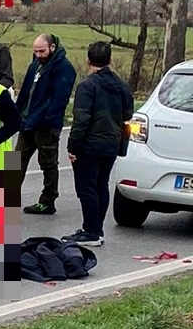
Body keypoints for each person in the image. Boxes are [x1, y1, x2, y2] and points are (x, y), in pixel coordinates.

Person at [63, 41, 134, 247]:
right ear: (110, 60)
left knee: (86, 188)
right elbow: (128, 114)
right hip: (112, 143)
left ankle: (90, 231)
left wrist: (73, 147)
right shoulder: (122, 86)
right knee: (102, 185)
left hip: (89, 145)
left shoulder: (87, 86)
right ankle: (98, 229)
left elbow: (81, 119)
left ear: (88, 61)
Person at [14, 32, 76, 215]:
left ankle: (48, 200)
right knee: (17, 160)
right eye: (36, 51)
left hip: (46, 125)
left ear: (52, 48)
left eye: (42, 51)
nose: (39, 54)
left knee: (47, 163)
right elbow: (26, 90)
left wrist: (48, 119)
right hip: (27, 121)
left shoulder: (64, 68)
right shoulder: (35, 64)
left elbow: (59, 99)